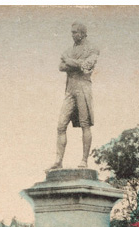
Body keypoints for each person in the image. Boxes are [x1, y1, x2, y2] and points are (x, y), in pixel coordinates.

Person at [49, 21, 100, 170]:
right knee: (60, 125)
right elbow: (61, 67)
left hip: (83, 88)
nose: (73, 35)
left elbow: (86, 66)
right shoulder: (68, 51)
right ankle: (58, 161)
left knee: (85, 124)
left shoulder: (92, 49)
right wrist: (75, 63)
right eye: (72, 32)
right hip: (70, 89)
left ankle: (84, 160)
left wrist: (70, 62)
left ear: (83, 33)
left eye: (75, 32)